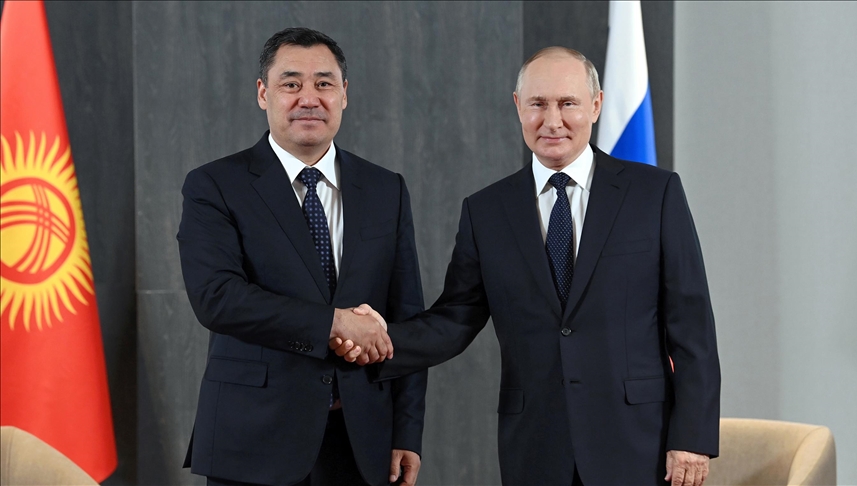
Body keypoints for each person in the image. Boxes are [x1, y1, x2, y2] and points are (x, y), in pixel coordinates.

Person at [333, 47, 721, 486]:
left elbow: (692, 326)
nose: (552, 121)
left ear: (596, 105)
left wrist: (692, 437)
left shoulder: (654, 193)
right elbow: (454, 320)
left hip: (639, 443)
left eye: (568, 103)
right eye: (538, 104)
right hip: (537, 446)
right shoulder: (486, 211)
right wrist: (377, 337)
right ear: (519, 106)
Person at [178, 27, 427, 486]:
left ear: (344, 94)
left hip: (360, 441)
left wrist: (406, 432)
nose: (308, 98)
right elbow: (217, 298)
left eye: (324, 83)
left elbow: (406, 316)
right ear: (263, 93)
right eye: (291, 83)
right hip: (253, 439)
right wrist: (335, 323)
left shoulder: (385, 189)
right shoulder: (214, 185)